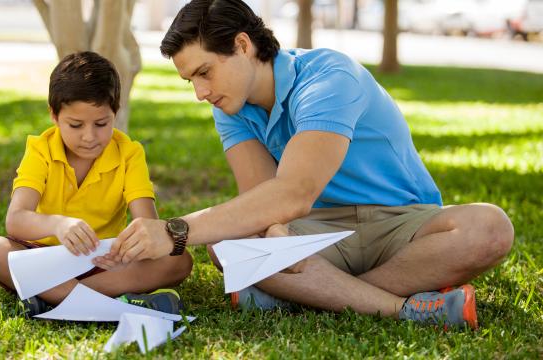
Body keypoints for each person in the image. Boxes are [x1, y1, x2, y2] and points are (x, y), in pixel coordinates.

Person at [93, 0, 514, 329]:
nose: (201, 92)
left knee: (490, 228)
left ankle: (325, 298)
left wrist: (175, 230)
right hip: (320, 234)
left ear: (242, 45)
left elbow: (294, 192)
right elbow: (264, 198)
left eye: (205, 72)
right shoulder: (230, 106)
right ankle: (404, 306)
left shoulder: (328, 77)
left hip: (401, 225)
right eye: (191, 81)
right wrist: (275, 232)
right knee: (227, 248)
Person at [0, 51, 192, 317]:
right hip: (43, 256)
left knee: (178, 261)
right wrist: (58, 225)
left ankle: (51, 298)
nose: (89, 137)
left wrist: (128, 248)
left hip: (103, 261)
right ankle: (105, 304)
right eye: (76, 125)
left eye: (101, 124)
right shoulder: (40, 149)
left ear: (116, 112)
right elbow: (16, 220)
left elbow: (147, 224)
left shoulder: (129, 153)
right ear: (54, 116)